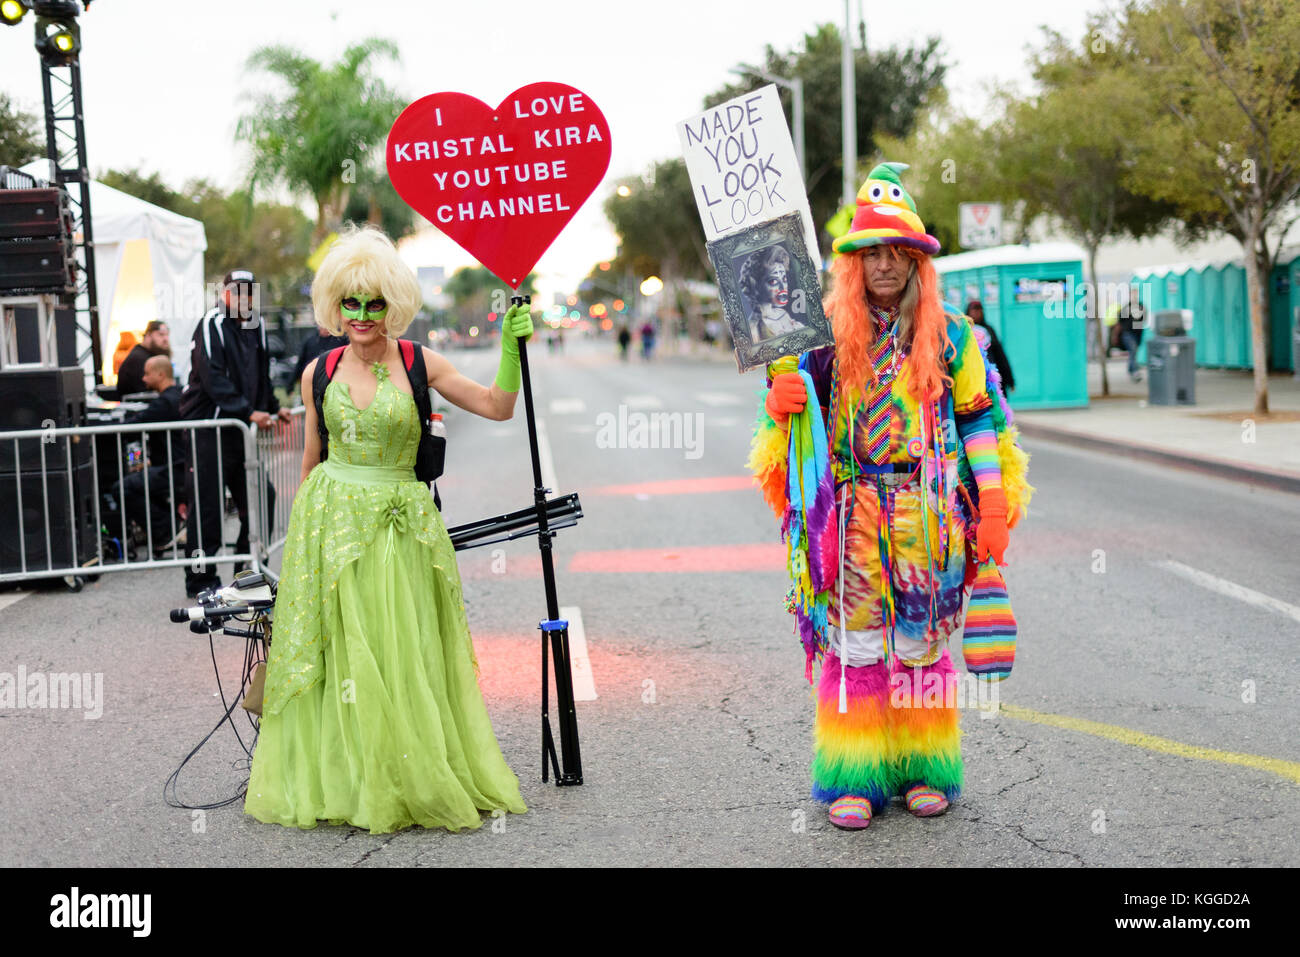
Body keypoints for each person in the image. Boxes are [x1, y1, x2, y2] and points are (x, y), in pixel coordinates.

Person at [751, 163, 1031, 830]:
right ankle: (855, 776)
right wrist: (781, 401)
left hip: (927, 515)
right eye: (870, 252)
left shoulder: (955, 338)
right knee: (855, 645)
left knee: (920, 645)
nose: (882, 265)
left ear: (914, 260)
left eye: (894, 253)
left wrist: (992, 504)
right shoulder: (815, 338)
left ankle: (922, 771)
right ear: (854, 262)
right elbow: (792, 435)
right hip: (849, 517)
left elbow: (979, 419)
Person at [244, 225, 529, 834]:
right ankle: (348, 777)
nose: (363, 315)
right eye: (351, 303)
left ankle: (407, 773)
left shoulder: (419, 362)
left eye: (374, 303)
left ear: (392, 303)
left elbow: (497, 407)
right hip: (333, 525)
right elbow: (311, 460)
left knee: (402, 651)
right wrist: (301, 545)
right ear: (335, 304)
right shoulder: (317, 372)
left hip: (403, 529)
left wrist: (510, 349)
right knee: (344, 653)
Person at [180, 269, 290, 597]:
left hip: (241, 430)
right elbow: (213, 377)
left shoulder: (257, 326)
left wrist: (272, 407)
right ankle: (200, 578)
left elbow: (262, 374)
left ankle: (247, 570)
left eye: (247, 292)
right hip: (210, 428)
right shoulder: (212, 323)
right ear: (225, 294)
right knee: (208, 507)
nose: (242, 298)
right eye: (236, 291)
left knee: (262, 497)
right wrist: (247, 411)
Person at [740, 244, 801, 342]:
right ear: (755, 285)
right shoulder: (754, 329)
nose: (783, 287)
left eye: (784, 279)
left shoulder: (783, 314)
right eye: (773, 281)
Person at [965, 300, 1015, 393]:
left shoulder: (989, 330)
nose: (977, 313)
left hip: (990, 379)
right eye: (974, 310)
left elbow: (1000, 355)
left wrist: (1010, 380)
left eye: (979, 310)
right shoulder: (964, 331)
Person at [290, 324, 349, 401]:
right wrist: (291, 384)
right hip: (313, 386)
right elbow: (300, 363)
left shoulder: (341, 340)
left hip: (334, 387)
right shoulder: (309, 340)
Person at [114, 320, 172, 397]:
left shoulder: (147, 355)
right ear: (148, 335)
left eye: (167, 335)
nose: (166, 339)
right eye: (161, 335)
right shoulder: (139, 358)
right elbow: (146, 392)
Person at [1117, 292, 1147, 381]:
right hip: (1128, 333)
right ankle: (1135, 371)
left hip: (1137, 334)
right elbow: (1120, 318)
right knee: (1133, 350)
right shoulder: (1127, 307)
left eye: (1136, 294)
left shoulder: (1141, 306)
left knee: (1133, 352)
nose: (1134, 296)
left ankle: (1130, 369)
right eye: (1132, 294)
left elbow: (1144, 318)